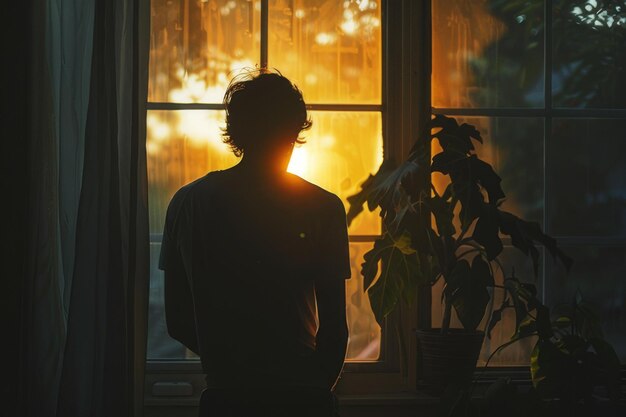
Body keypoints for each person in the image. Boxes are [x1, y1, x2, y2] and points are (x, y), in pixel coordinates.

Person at [159, 70, 350, 417]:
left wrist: (230, 363)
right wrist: (313, 387)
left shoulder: (188, 203)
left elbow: (178, 320)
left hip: (226, 394)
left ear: (237, 131)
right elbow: (335, 327)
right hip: (302, 394)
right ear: (294, 129)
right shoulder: (323, 207)